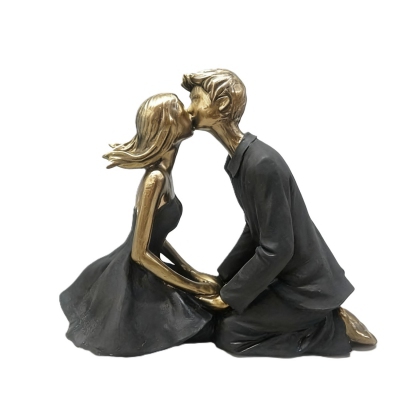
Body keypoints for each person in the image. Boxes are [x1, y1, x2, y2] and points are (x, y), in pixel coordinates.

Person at [182, 69, 377, 357]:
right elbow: (254, 229)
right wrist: (225, 278)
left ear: (221, 104)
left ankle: (333, 327)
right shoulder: (241, 160)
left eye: (196, 99)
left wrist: (229, 296)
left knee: (230, 333)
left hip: (304, 287)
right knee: (224, 319)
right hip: (282, 277)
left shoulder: (261, 163)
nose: (189, 108)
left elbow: (277, 249)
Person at [60, 93, 220, 357]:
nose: (189, 113)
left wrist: (191, 271)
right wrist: (193, 287)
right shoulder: (155, 180)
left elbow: (154, 238)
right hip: (138, 280)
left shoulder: (164, 174)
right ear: (169, 125)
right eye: (181, 109)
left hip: (152, 268)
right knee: (206, 322)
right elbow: (139, 253)